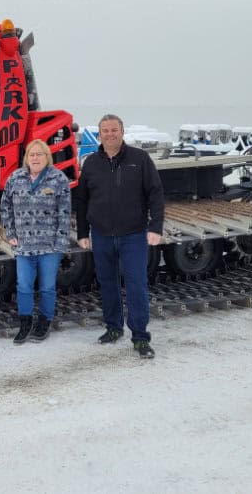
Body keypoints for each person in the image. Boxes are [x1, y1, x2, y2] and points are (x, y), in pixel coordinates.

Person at [73, 114, 165, 359]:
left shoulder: (139, 159)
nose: (110, 134)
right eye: (105, 130)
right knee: (108, 284)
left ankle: (140, 337)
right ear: (99, 134)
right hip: (101, 235)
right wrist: (83, 232)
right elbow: (81, 200)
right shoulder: (91, 163)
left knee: (136, 285)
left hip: (133, 235)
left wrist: (155, 227)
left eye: (114, 130)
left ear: (122, 132)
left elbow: (155, 193)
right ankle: (113, 328)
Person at [1, 140, 72, 344]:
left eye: (40, 154)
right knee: (23, 285)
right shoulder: (15, 178)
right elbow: (5, 206)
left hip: (49, 246)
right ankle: (25, 323)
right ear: (26, 157)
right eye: (32, 154)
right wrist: (10, 232)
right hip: (24, 245)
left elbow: (64, 212)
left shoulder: (58, 179)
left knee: (47, 287)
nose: (35, 158)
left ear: (47, 157)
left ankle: (44, 322)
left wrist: (60, 241)